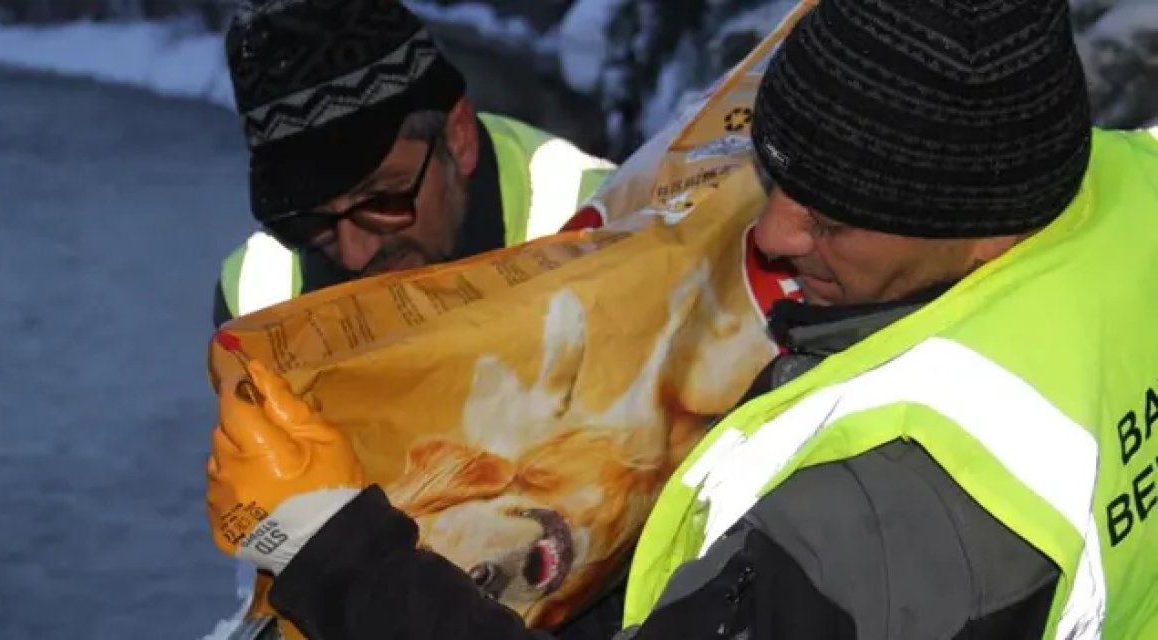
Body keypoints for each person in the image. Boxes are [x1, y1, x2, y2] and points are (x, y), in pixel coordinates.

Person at [204, 0, 1158, 638]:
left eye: (829, 215)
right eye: (778, 182)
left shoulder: (876, 515)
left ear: (981, 225)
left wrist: (332, 554)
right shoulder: (1133, 189)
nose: (773, 236)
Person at [212, 0, 616, 327]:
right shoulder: (256, 306)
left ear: (458, 137)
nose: (354, 256)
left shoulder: (616, 229)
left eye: (381, 198)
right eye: (311, 220)